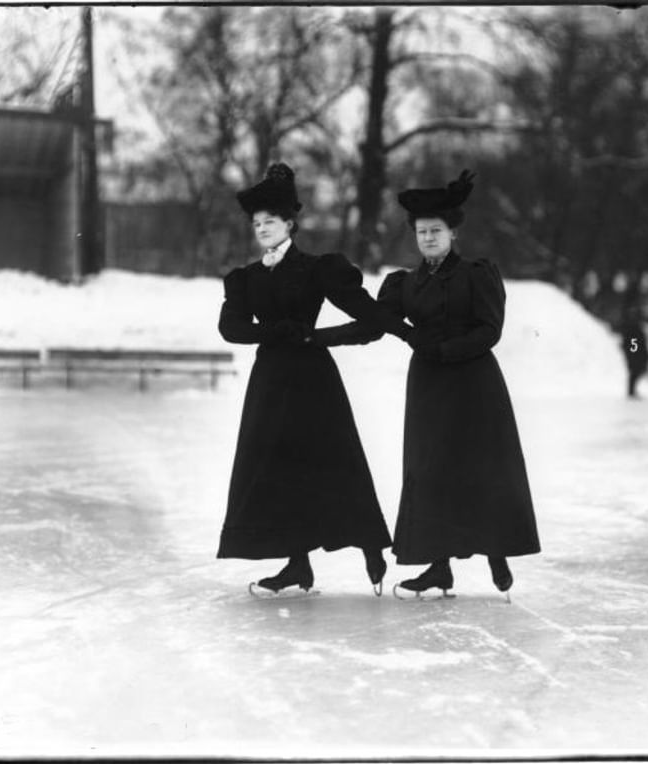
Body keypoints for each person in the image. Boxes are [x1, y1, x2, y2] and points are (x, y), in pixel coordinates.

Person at [216, 162, 408, 596]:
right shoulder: (246, 278)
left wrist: (318, 336)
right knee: (276, 472)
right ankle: (297, 565)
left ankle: (370, 545)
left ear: (291, 224)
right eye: (257, 223)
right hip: (270, 383)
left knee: (336, 463)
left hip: (313, 380)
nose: (263, 229)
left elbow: (369, 319)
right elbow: (232, 329)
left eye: (271, 221)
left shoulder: (317, 268)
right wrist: (276, 331)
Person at [377, 170, 540, 601]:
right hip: (429, 388)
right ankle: (438, 567)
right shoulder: (406, 282)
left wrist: (445, 349)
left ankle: (496, 551)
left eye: (436, 230)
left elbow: (491, 330)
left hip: (474, 385)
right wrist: (409, 337)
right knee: (430, 472)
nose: (428, 238)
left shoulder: (477, 274)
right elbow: (378, 319)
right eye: (421, 232)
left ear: (452, 232)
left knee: (483, 470)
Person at [619, 304, 648, 398]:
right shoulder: (632, 327)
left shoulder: (634, 326)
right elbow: (633, 341)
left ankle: (632, 390)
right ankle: (631, 391)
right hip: (635, 354)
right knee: (634, 372)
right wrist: (634, 353)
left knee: (636, 372)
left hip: (636, 353)